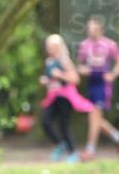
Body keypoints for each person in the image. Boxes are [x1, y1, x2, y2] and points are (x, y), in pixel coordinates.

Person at [40, 34, 97, 163]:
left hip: (65, 97)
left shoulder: (64, 61)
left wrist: (60, 74)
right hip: (52, 97)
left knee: (63, 125)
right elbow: (49, 78)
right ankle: (60, 144)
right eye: (48, 47)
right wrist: (45, 80)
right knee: (45, 121)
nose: (50, 49)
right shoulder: (49, 61)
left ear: (59, 46)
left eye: (53, 47)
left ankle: (72, 153)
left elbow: (75, 79)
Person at [77, 17, 119, 160]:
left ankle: (90, 151)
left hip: (103, 85)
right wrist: (83, 70)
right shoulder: (84, 45)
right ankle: (118, 137)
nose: (90, 31)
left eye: (93, 28)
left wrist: (112, 75)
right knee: (95, 117)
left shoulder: (109, 44)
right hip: (91, 84)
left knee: (94, 115)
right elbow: (79, 65)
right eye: (89, 28)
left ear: (100, 29)